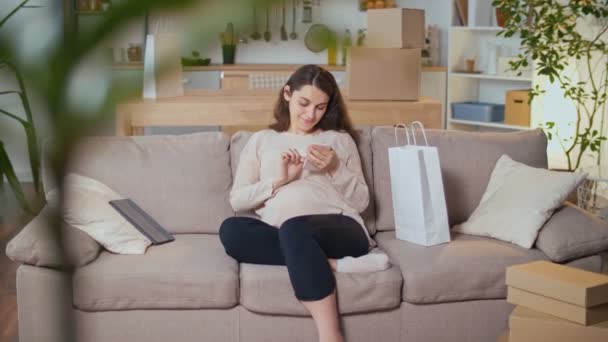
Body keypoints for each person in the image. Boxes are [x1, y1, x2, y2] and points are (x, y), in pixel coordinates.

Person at [219, 64, 389, 342]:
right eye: (304, 103)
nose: (311, 114)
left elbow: (361, 202)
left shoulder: (339, 140)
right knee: (231, 230)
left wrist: (334, 167)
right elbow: (238, 199)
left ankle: (330, 336)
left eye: (320, 107)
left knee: (294, 229)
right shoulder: (262, 140)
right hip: (286, 233)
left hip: (341, 228)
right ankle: (334, 264)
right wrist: (280, 181)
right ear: (287, 94)